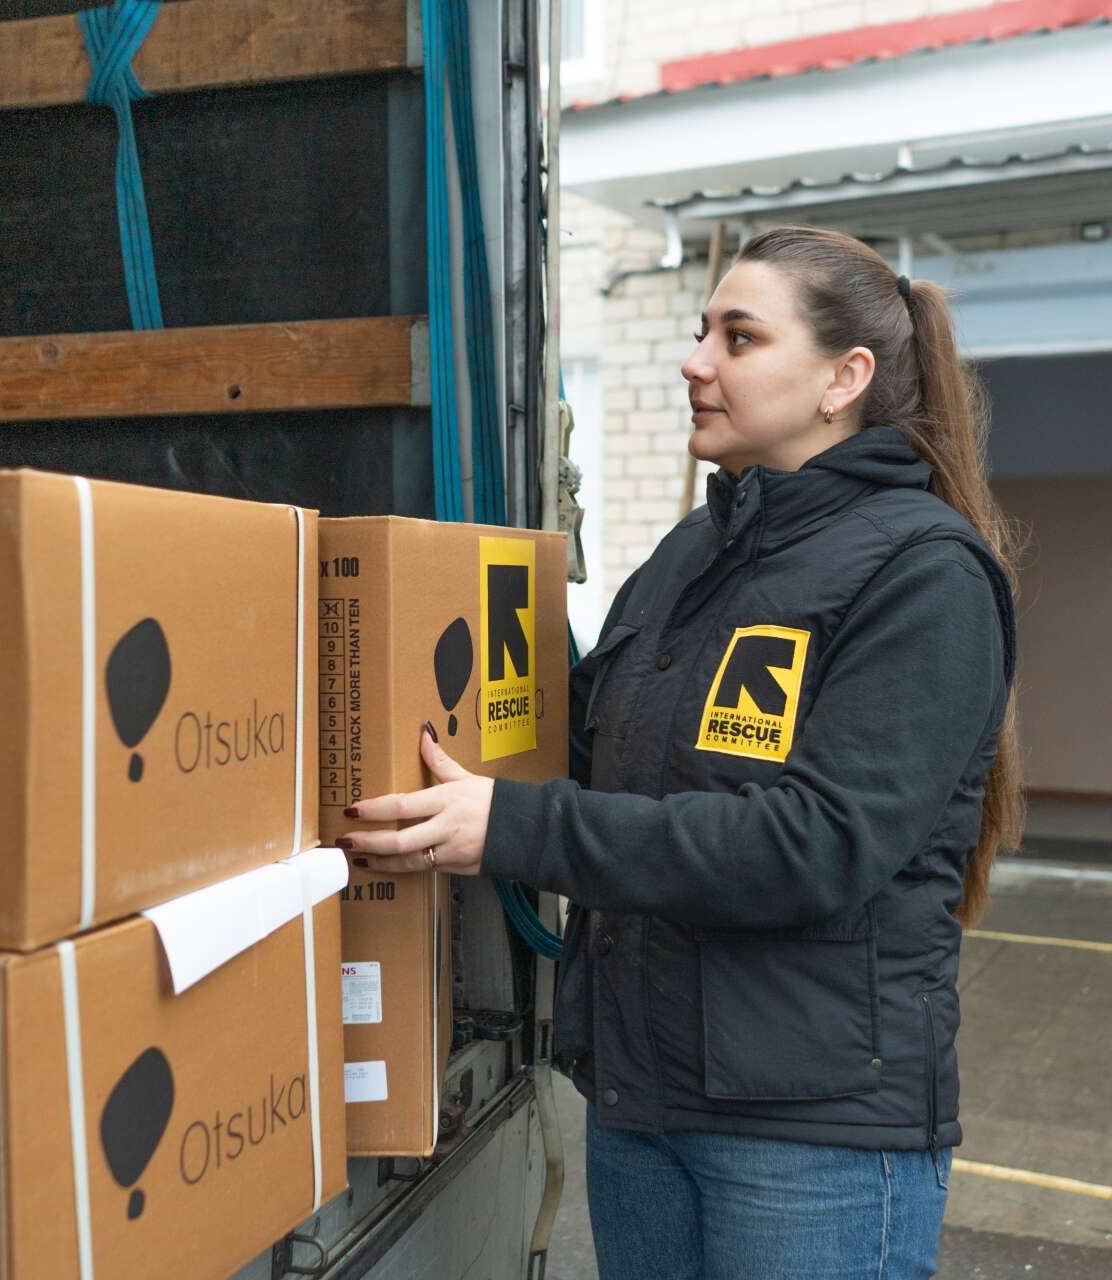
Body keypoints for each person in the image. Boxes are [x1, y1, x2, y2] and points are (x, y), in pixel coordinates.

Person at [337, 225, 1022, 1279]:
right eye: (701, 330)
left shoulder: (923, 574)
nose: (694, 359)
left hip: (810, 1135)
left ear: (845, 377)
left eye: (737, 337)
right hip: (642, 1107)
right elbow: (589, 754)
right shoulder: (687, 558)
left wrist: (509, 825)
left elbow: (814, 843)